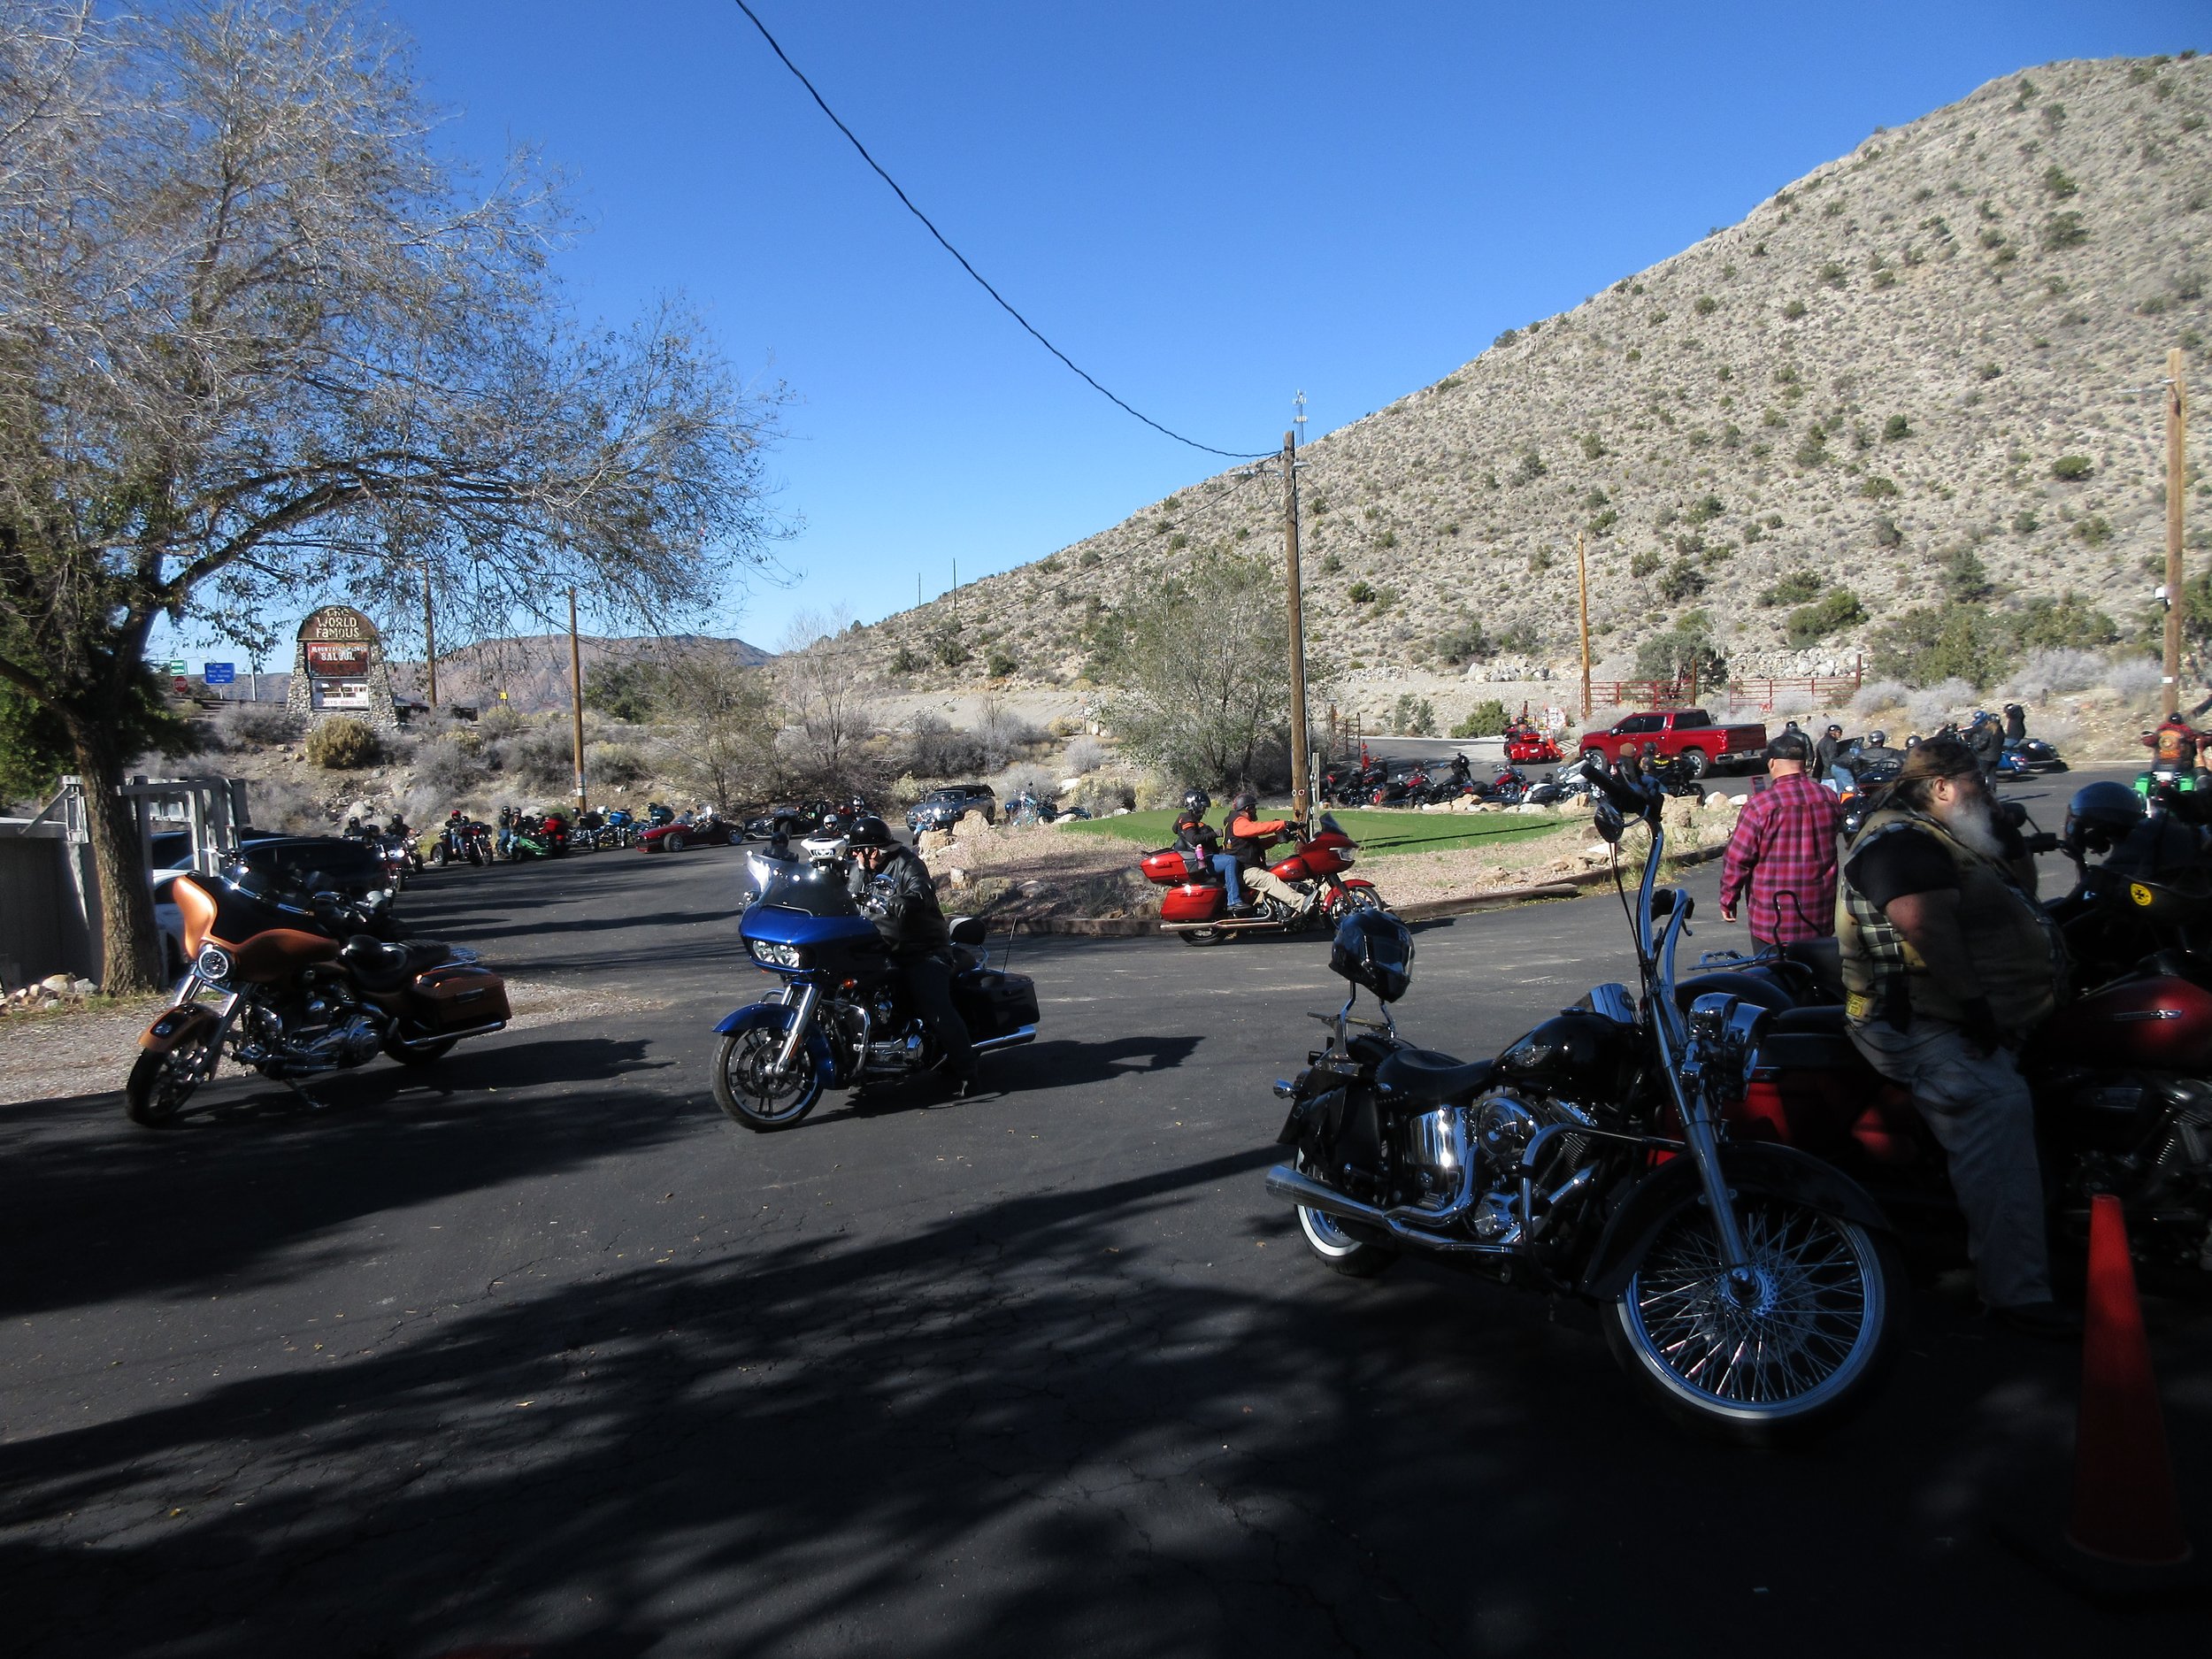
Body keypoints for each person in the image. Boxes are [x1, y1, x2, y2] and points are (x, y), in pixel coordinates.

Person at [1834, 735, 2074, 1337]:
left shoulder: (1950, 833)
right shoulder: (1900, 842)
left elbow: (2025, 888)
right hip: (1921, 1022)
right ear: (1941, 787)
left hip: (1979, 1012)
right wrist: (1974, 1008)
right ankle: (2016, 1294)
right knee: (1995, 1104)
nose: (1987, 790)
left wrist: (2004, 827)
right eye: (1977, 781)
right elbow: (1926, 926)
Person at [845, 815, 978, 1096]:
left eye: (859, 850)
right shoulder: (860, 868)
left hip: (923, 949)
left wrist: (907, 900)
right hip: (879, 947)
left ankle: (967, 1071)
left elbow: (922, 890)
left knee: (933, 1005)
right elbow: (847, 896)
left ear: (874, 849)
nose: (855, 855)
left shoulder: (907, 863)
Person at [1719, 731, 1846, 944]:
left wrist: (1728, 899)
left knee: (1771, 975)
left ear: (1772, 763)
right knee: (1816, 975)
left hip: (1773, 919)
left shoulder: (1761, 805)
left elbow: (1737, 858)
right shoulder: (1828, 797)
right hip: (1819, 913)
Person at [1224, 791, 1305, 912]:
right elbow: (1256, 828)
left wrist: (1277, 839)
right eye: (1254, 808)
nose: (1255, 811)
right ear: (1247, 809)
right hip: (1246, 870)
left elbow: (1257, 845)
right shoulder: (1238, 822)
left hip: (1247, 867)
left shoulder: (1237, 822)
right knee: (1270, 880)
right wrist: (1283, 824)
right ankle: (1302, 903)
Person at [1173, 788, 1246, 910]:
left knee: (1231, 857)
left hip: (1207, 856)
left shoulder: (1192, 820)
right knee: (1230, 861)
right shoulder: (1187, 819)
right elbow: (1193, 839)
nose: (1203, 811)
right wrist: (1215, 834)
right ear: (1194, 805)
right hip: (1203, 860)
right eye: (1202, 808)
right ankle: (1234, 901)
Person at [1814, 723, 1849, 790]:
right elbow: (1832, 759)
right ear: (1837, 732)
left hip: (1822, 773)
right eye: (1840, 733)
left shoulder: (1823, 741)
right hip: (1830, 775)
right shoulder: (1831, 743)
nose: (1840, 736)